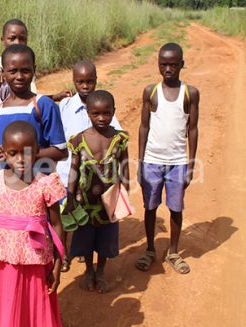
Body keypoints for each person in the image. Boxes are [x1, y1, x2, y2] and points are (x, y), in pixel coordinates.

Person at [0, 121, 65, 327]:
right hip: (0, 259)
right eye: (13, 153)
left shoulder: (46, 184)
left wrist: (58, 265)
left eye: (27, 153)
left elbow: (58, 225)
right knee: (6, 302)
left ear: (38, 151)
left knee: (31, 304)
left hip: (35, 258)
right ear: (3, 153)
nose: (20, 159)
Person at [136, 42, 199, 275]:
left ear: (181, 64)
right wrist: (140, 162)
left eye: (174, 64)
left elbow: (193, 129)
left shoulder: (190, 93)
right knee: (150, 206)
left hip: (178, 163)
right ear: (158, 65)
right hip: (152, 160)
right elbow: (143, 127)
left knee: (175, 208)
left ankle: (173, 251)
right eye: (164, 64)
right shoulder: (150, 92)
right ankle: (150, 249)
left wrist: (191, 164)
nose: (169, 69)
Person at [57, 60, 123, 272]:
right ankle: (63, 255)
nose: (85, 86)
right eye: (80, 82)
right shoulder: (65, 107)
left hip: (100, 182)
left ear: (96, 80)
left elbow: (117, 140)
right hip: (69, 172)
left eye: (90, 81)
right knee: (66, 215)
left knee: (93, 221)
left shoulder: (104, 103)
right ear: (74, 81)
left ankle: (90, 257)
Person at [64, 90, 129, 293]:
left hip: (108, 203)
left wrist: (124, 191)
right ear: (88, 113)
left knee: (105, 239)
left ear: (113, 112)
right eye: (96, 114)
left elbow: (124, 166)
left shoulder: (119, 139)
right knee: (85, 238)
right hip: (85, 202)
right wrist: (70, 196)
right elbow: (73, 169)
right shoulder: (78, 140)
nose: (101, 118)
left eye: (106, 113)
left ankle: (100, 271)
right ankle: (89, 270)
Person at [0, 44, 67, 172]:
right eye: (13, 71)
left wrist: (20, 155)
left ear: (34, 70)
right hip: (2, 187)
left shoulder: (44, 106)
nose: (19, 76)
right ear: (3, 72)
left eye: (25, 71)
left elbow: (61, 151)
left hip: (35, 186)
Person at [0, 18, 70, 102]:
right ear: (3, 40)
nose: (17, 43)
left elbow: (29, 99)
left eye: (22, 39)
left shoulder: (26, 67)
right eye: (12, 38)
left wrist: (54, 97)